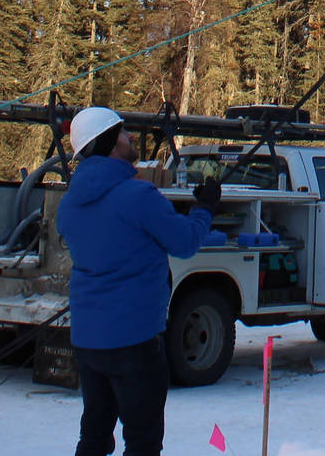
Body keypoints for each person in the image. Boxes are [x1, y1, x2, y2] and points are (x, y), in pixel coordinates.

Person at [56, 107, 222, 456]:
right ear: (107, 143)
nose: (131, 137)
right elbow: (185, 242)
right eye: (122, 133)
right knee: (143, 442)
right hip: (134, 340)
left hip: (88, 340)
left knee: (95, 435)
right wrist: (205, 209)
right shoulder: (139, 197)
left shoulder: (69, 204)